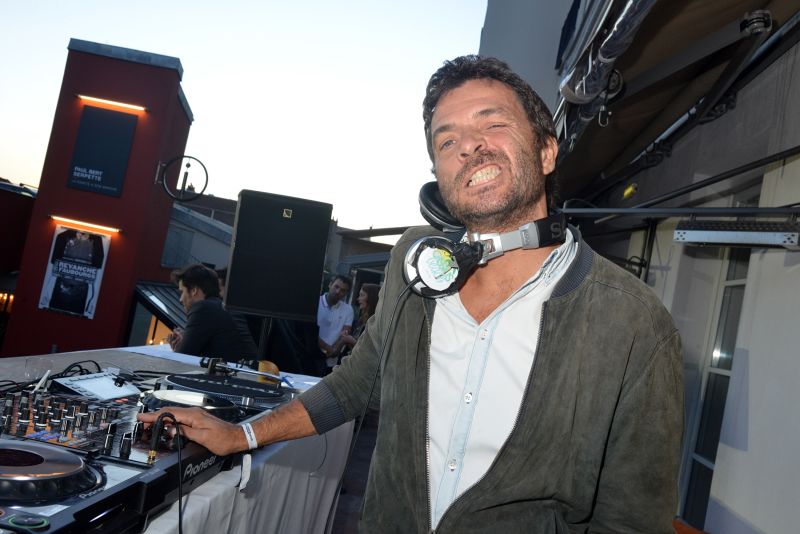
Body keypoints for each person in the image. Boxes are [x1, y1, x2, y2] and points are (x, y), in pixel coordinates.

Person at [141, 56, 683, 533]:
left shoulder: (634, 323)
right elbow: (353, 385)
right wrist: (242, 435)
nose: (468, 146)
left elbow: (632, 520)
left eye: (492, 123)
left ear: (546, 151)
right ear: (437, 179)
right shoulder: (416, 262)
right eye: (447, 141)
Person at [168, 264, 258, 364]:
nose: (180, 299)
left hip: (234, 372)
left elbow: (181, 357)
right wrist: (186, 339)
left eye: (182, 292)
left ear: (194, 290)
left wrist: (179, 346)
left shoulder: (203, 308)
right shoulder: (222, 307)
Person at [316, 274, 354, 374]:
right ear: (330, 285)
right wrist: (329, 349)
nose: (338, 292)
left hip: (331, 362)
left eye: (343, 290)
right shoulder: (316, 303)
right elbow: (311, 331)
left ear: (346, 293)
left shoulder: (348, 310)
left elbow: (344, 334)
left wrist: (332, 351)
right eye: (336, 287)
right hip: (311, 356)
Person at [331, 282, 381, 357]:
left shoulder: (376, 323)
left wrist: (350, 340)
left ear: (371, 298)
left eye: (362, 295)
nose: (358, 299)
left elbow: (369, 352)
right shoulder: (361, 319)